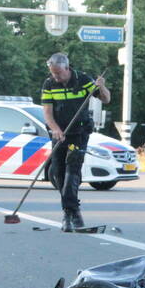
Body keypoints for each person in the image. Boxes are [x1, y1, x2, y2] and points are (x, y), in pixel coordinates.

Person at [40, 52, 109, 232]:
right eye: (53, 73)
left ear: (67, 68)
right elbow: (47, 112)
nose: (56, 77)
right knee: (58, 173)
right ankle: (71, 210)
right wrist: (55, 129)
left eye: (58, 73)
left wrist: (101, 87)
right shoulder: (49, 84)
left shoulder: (82, 80)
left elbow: (106, 99)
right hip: (58, 133)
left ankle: (71, 213)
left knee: (72, 169)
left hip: (78, 132)